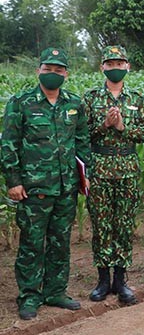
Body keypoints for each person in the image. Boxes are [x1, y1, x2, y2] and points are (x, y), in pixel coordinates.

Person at [1, 48, 92, 320]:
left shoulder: (74, 103)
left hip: (65, 188)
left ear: (66, 73)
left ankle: (55, 291)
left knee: (60, 242)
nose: (53, 74)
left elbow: (82, 142)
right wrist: (13, 181)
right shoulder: (21, 102)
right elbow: (8, 145)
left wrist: (84, 176)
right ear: (38, 70)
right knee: (31, 243)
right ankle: (29, 296)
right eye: (48, 69)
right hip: (33, 189)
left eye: (59, 70)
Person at [84, 45, 144, 305]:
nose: (115, 68)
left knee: (123, 224)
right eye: (110, 64)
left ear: (127, 67)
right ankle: (102, 280)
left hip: (127, 167)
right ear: (102, 67)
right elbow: (82, 133)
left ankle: (121, 280)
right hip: (99, 167)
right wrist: (104, 125)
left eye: (119, 63)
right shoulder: (90, 98)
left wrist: (122, 126)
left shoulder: (138, 98)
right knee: (101, 225)